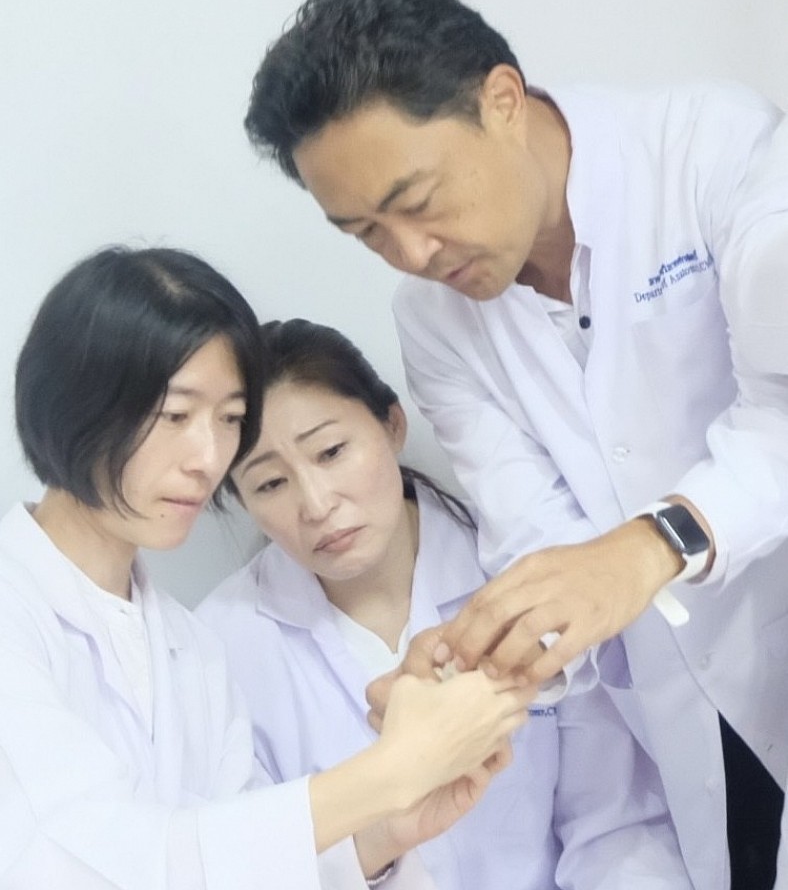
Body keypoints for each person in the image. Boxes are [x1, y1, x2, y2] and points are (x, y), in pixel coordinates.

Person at [242, 0, 788, 890]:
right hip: (693, 727)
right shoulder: (433, 323)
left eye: (417, 200)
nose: (412, 253)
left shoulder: (715, 153)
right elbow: (544, 542)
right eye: (367, 232)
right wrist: (488, 659)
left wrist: (651, 545)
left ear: (501, 100)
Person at [0, 244, 532, 890]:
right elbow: (88, 860)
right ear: (74, 403)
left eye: (229, 419)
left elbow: (241, 866)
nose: (208, 457)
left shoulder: (189, 646)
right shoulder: (15, 607)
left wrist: (381, 837)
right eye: (176, 415)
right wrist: (389, 773)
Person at [197, 317, 693, 889]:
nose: (316, 503)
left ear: (392, 424)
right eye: (269, 484)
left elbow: (615, 826)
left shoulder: (522, 572)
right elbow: (248, 869)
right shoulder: (220, 648)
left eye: (331, 452)